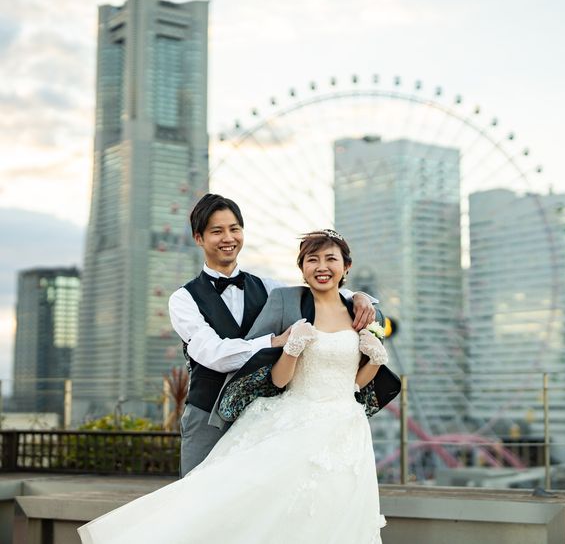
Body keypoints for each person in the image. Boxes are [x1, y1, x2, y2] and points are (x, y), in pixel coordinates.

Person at [78, 229, 398, 544]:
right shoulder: (283, 299)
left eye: (331, 259)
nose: (321, 266)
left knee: (336, 511)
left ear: (347, 266)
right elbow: (259, 369)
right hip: (288, 418)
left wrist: (373, 352)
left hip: (347, 428)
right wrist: (287, 346)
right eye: (312, 259)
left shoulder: (357, 311)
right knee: (246, 507)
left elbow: (354, 381)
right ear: (301, 267)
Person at [168, 194, 376, 475]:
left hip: (262, 414)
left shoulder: (269, 288)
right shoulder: (183, 299)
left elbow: (318, 292)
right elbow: (213, 354)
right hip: (208, 415)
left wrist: (359, 297)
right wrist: (273, 342)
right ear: (199, 238)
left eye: (234, 229)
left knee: (255, 495)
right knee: (197, 491)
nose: (228, 238)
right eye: (217, 231)